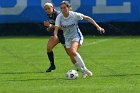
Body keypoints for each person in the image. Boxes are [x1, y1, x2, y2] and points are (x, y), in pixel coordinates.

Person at [54, 1, 105, 78]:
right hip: (67, 38)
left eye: (64, 7)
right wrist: (55, 35)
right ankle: (82, 72)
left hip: (76, 36)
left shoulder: (74, 15)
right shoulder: (59, 17)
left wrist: (98, 27)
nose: (63, 9)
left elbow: (88, 18)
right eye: (61, 8)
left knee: (73, 51)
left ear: (69, 8)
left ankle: (85, 69)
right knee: (71, 56)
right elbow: (56, 28)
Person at [43, 3, 66, 72]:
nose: (47, 10)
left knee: (70, 52)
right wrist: (49, 27)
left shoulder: (58, 15)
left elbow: (63, 28)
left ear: (52, 7)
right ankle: (52, 65)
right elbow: (54, 25)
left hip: (64, 35)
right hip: (56, 34)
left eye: (48, 8)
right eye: (46, 9)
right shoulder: (49, 15)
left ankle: (79, 65)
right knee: (49, 48)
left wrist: (50, 25)